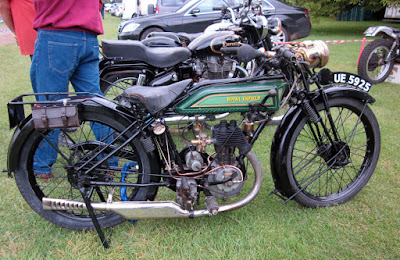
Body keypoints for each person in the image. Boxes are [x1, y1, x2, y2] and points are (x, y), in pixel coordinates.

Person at [30, 0, 113, 179]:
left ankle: (42, 167)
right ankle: (109, 161)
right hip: (88, 37)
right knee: (96, 104)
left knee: (49, 106)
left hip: (56, 33)